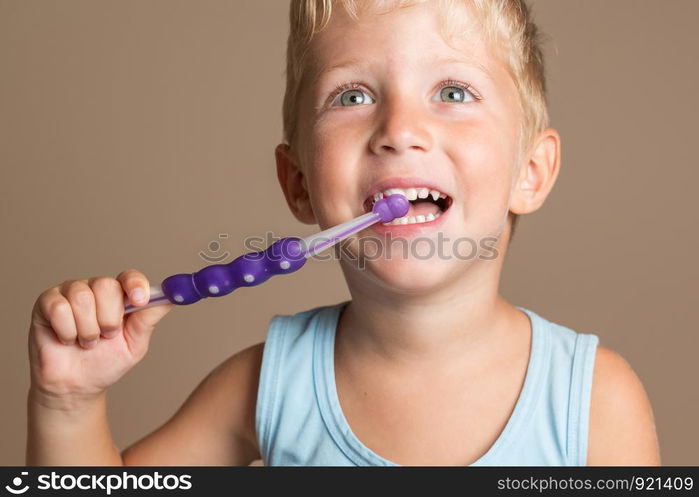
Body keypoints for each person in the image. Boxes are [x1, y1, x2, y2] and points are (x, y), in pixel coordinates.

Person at [26, 0, 660, 466]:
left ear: (531, 171)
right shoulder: (263, 385)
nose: (399, 128)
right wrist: (68, 404)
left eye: (454, 90)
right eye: (353, 96)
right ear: (299, 182)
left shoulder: (595, 403)